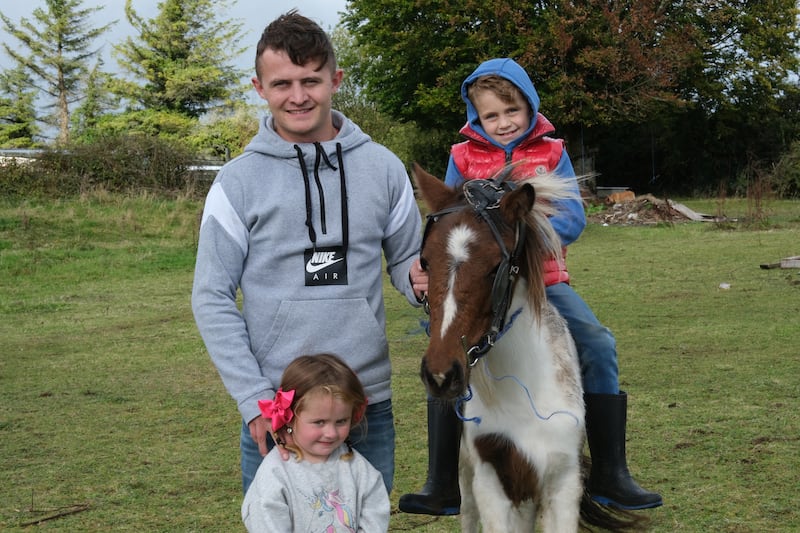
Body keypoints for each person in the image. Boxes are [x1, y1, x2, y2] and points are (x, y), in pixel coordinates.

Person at [398, 57, 663, 514]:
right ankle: (441, 480)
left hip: (543, 281)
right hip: (480, 283)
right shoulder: (462, 157)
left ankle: (610, 473)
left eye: (512, 111)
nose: (503, 123)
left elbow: (573, 219)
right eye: (490, 115)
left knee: (598, 343)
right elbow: (448, 217)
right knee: (440, 346)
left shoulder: (551, 153)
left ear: (529, 106)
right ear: (475, 118)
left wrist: (519, 237)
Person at [191, 10, 427, 496]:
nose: (297, 96)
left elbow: (407, 261)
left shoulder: (383, 168)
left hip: (364, 406)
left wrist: (422, 282)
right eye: (282, 84)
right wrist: (255, 399)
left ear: (335, 80)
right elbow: (211, 296)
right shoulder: (236, 182)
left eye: (311, 80)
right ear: (259, 87)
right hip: (279, 409)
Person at [241, 353, 390, 532]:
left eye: (341, 421)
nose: (331, 433)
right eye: (319, 422)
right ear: (289, 418)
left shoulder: (360, 470)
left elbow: (375, 518)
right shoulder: (275, 474)